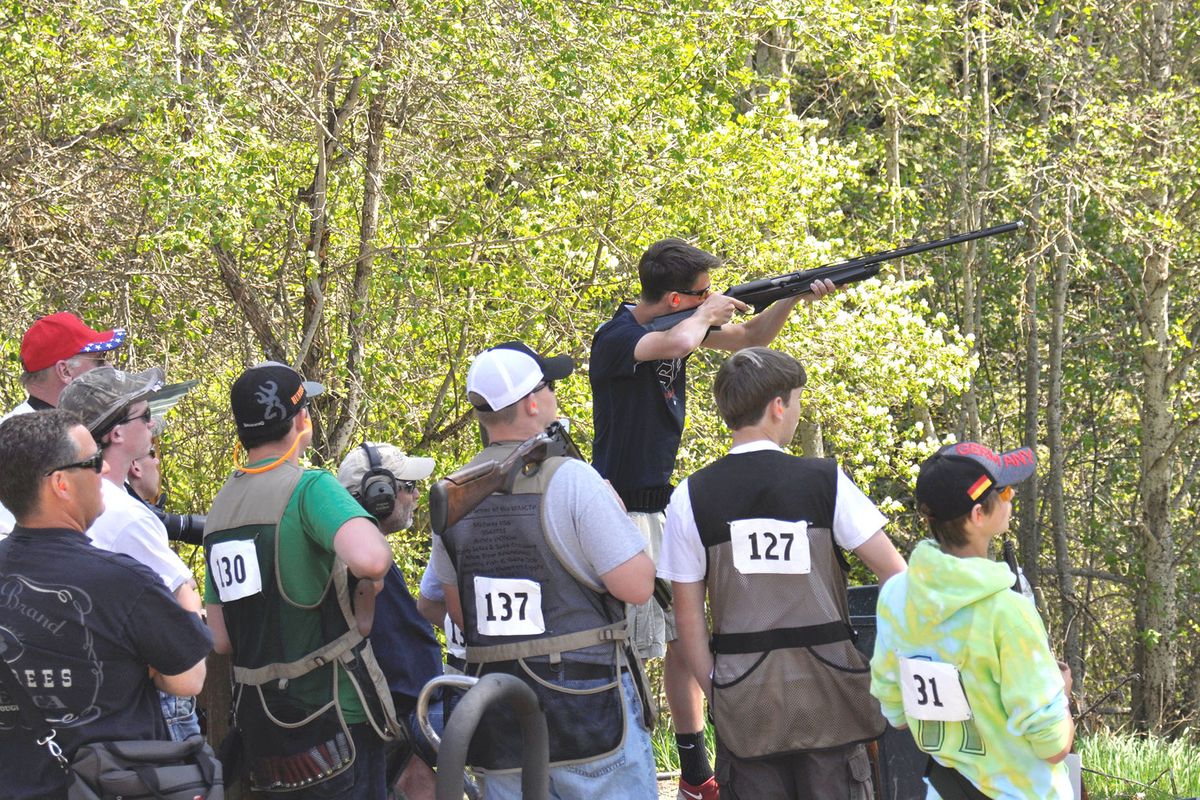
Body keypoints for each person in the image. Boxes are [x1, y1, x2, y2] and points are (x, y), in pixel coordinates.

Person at [589, 237, 835, 799]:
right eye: (701, 292)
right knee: (627, 647)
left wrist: (793, 295)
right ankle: (618, 768)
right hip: (620, 507)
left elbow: (752, 336)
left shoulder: (685, 323)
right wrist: (703, 313)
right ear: (676, 296)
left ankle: (695, 769)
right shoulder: (619, 338)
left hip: (661, 500)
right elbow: (678, 338)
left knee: (682, 638)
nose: (712, 298)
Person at [659, 347, 906, 799]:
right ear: (777, 406)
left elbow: (687, 615)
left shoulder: (690, 496)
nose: (795, 412)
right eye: (795, 401)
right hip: (833, 693)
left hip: (745, 694)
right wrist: (881, 666)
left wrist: (717, 688)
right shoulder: (825, 480)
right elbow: (896, 574)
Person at [431, 341, 658, 800]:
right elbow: (637, 587)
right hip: (588, 709)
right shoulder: (572, 478)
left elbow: (458, 611)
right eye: (549, 386)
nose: (555, 395)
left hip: (501, 721)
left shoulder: (452, 494)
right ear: (534, 402)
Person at [203, 361, 399, 798]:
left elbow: (221, 638)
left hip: (264, 732)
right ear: (300, 420)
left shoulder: (220, 510)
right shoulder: (310, 488)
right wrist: (367, 592)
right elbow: (372, 558)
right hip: (335, 722)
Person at [0, 410, 211, 799]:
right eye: (91, 462)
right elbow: (188, 678)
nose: (101, 473)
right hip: (110, 785)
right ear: (60, 484)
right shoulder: (121, 581)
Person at [870, 442, 1075, 799]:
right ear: (978, 515)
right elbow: (1053, 744)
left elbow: (897, 713)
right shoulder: (1008, 613)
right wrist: (1062, 694)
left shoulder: (896, 597)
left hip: (945, 790)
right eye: (1006, 491)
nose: (1011, 499)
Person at [58, 365, 205, 741]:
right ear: (116, 432)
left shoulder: (68, 501)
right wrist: (183, 670)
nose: (153, 424)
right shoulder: (123, 515)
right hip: (153, 701)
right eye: (146, 415)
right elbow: (180, 596)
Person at [337, 441, 441, 800]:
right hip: (393, 728)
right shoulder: (365, 565)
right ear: (378, 495)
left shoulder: (348, 553)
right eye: (408, 487)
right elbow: (409, 675)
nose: (415, 497)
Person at [0, 312, 126, 535]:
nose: (107, 368)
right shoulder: (18, 443)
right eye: (99, 360)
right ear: (65, 371)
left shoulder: (64, 430)